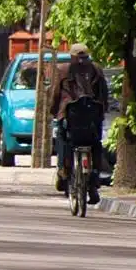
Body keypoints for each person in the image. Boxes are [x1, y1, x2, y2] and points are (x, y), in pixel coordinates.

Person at [49, 43, 109, 204]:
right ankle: (94, 179)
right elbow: (103, 93)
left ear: (72, 56)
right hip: (92, 115)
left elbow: (55, 93)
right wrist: (103, 111)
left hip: (69, 114)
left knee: (63, 138)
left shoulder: (63, 69)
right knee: (95, 143)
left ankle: (63, 170)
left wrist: (54, 111)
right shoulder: (96, 69)